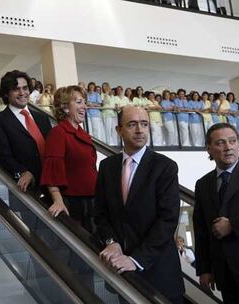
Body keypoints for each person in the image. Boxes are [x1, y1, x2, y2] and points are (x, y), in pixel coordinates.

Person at [94, 106, 184, 303]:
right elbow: (100, 214)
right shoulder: (107, 166)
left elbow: (167, 220)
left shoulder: (165, 167)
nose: (140, 130)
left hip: (159, 273)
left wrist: (136, 260)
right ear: (118, 130)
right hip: (122, 272)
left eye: (144, 124)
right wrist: (111, 242)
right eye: (132, 124)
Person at [193, 123, 239, 303]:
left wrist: (233, 224)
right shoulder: (203, 184)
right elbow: (201, 229)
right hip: (225, 274)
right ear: (209, 148)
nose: (228, 147)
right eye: (220, 143)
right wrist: (204, 269)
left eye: (232, 141)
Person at [0, 70, 51, 196]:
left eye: (25, 88)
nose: (22, 93)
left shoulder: (42, 117)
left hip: (53, 186)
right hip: (27, 189)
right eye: (16, 89)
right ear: (6, 93)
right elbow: (4, 157)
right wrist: (23, 171)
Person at [41, 85, 97, 228]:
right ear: (65, 108)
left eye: (84, 102)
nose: (84, 106)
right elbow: (52, 171)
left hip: (92, 202)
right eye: (79, 102)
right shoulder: (58, 133)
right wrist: (58, 200)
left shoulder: (84, 134)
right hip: (73, 204)